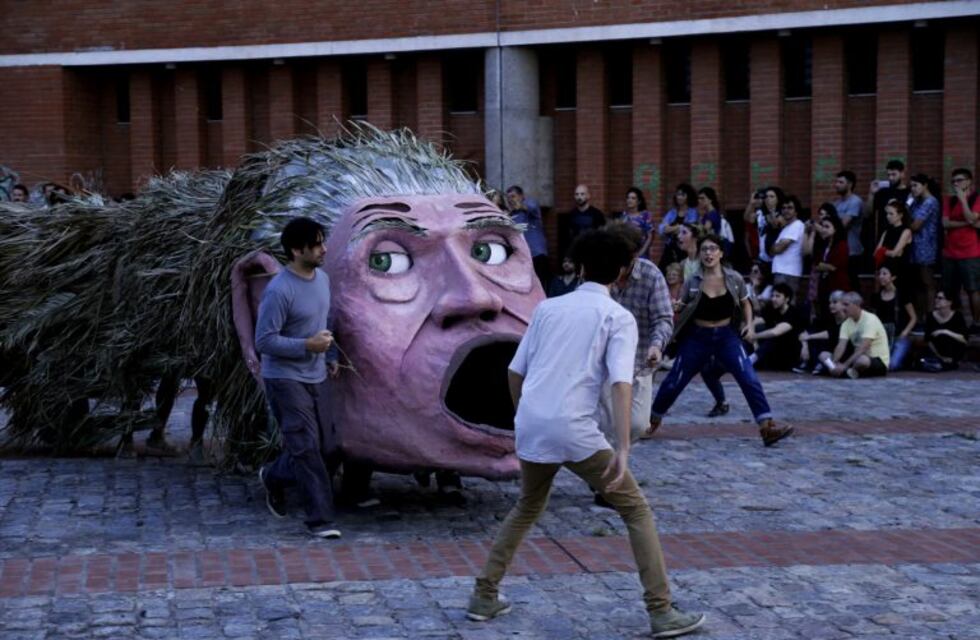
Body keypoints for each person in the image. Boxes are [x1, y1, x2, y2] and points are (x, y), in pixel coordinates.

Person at [466, 229, 706, 639]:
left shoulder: (548, 309)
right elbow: (620, 382)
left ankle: (484, 595)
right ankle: (661, 609)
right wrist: (624, 446)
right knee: (636, 510)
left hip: (532, 421)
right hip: (573, 427)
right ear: (623, 272)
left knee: (527, 506)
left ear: (578, 267)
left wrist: (526, 413)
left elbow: (515, 371)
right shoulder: (617, 316)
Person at [644, 233, 793, 446]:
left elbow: (745, 302)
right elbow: (684, 305)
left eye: (713, 249)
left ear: (721, 253)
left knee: (748, 377)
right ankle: (651, 422)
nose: (708, 253)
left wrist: (749, 325)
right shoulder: (693, 280)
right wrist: (678, 307)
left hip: (727, 336)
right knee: (674, 381)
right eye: (704, 249)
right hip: (698, 337)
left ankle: (766, 427)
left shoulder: (734, 278)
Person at [255, 216, 343, 539]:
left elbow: (326, 320)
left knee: (330, 447)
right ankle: (320, 519)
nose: (324, 249)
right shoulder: (279, 291)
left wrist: (330, 354)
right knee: (305, 447)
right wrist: (308, 345)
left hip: (316, 374)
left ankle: (273, 475)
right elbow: (264, 341)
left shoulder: (322, 280)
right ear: (296, 250)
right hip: (284, 378)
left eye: (323, 241)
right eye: (317, 244)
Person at [941, 167, 980, 334]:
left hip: (970, 252)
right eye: (954, 181)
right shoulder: (948, 200)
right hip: (950, 252)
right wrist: (968, 223)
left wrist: (963, 200)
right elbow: (945, 223)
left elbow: (972, 217)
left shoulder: (976, 198)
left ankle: (977, 323)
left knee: (973, 289)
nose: (956, 184)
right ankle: (955, 322)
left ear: (969, 181)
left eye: (959, 180)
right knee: (950, 290)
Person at [819, 292, 890, 379]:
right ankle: (842, 371)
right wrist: (835, 362)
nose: (843, 308)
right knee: (824, 355)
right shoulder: (847, 323)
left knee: (862, 360)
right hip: (855, 359)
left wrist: (845, 365)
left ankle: (845, 371)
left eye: (846, 305)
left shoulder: (870, 320)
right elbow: (841, 345)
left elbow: (863, 348)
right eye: (842, 305)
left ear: (857, 305)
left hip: (876, 360)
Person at [804, 203, 849, 321]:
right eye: (822, 226)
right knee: (825, 314)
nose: (823, 229)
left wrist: (823, 266)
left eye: (827, 227)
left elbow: (833, 267)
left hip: (838, 285)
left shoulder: (841, 245)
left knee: (839, 316)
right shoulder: (823, 244)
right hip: (824, 286)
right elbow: (815, 263)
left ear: (835, 228)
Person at [907, 173, 941, 322]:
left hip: (926, 247)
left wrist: (905, 217)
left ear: (925, 185)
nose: (913, 189)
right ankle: (920, 319)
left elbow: (915, 225)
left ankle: (930, 317)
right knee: (917, 285)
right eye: (911, 186)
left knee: (927, 282)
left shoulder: (930, 202)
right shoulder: (916, 201)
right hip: (914, 248)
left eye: (915, 185)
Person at [750, 282, 807, 371]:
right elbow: (755, 322)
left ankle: (750, 360)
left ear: (787, 299)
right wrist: (754, 340)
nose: (774, 299)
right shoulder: (772, 309)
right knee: (756, 329)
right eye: (772, 296)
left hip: (790, 351)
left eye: (778, 296)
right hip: (774, 351)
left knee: (774, 338)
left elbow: (775, 332)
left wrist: (753, 336)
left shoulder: (793, 313)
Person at [872, 266, 916, 371]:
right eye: (879, 274)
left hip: (898, 337)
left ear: (893, 277)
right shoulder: (876, 297)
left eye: (884, 274)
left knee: (892, 365)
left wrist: (905, 332)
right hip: (883, 337)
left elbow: (913, 318)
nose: (881, 277)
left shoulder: (902, 295)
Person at [794, 290, 847, 374]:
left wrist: (809, 337)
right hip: (827, 354)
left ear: (844, 304)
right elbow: (805, 332)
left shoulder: (848, 321)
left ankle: (831, 369)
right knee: (820, 350)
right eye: (830, 303)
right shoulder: (828, 318)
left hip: (843, 354)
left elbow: (831, 334)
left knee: (821, 347)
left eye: (835, 302)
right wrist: (805, 346)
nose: (831, 305)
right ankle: (810, 364)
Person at [507, 185, 550, 288]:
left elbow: (532, 207)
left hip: (537, 255)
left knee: (540, 286)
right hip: (523, 257)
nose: (510, 200)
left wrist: (520, 206)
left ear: (521, 196)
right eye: (508, 198)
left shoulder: (530, 204)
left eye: (513, 196)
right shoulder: (512, 215)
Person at [919, 291, 968, 371]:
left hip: (953, 351)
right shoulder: (930, 316)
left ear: (949, 302)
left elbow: (964, 339)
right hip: (936, 352)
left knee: (945, 336)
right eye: (936, 297)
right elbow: (928, 340)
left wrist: (945, 331)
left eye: (940, 298)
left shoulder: (957, 316)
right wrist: (940, 357)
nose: (936, 300)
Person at [833, 171, 865, 292]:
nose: (837, 185)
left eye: (841, 182)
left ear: (850, 184)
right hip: (839, 249)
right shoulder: (836, 204)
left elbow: (843, 225)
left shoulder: (855, 201)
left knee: (851, 283)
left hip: (852, 250)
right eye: (836, 182)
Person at [874, 199, 913, 296]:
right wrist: (886, 252)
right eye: (887, 214)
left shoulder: (906, 231)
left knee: (901, 297)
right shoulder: (886, 232)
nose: (888, 216)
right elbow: (876, 252)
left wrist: (883, 251)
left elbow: (896, 253)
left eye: (891, 214)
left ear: (900, 215)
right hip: (885, 268)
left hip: (899, 269)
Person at [769, 195, 806, 297]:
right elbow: (772, 251)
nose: (786, 210)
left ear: (796, 211)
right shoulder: (786, 228)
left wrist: (775, 247)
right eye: (784, 208)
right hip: (782, 271)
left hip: (788, 273)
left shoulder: (797, 225)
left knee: (786, 305)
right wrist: (774, 248)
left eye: (790, 208)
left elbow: (778, 248)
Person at [558, 184, 605, 259]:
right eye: (577, 194)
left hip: (593, 254)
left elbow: (602, 237)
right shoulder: (570, 216)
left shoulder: (597, 215)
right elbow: (566, 239)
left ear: (588, 196)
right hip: (575, 254)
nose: (579, 197)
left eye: (582, 194)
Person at [868, 159, 911, 241]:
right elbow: (869, 212)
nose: (891, 178)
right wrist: (871, 194)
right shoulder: (883, 192)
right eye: (889, 175)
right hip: (884, 237)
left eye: (894, 174)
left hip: (902, 239)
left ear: (902, 174)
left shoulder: (909, 193)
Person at [659, 183, 700, 268]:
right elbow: (662, 229)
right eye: (678, 194)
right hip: (670, 248)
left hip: (685, 249)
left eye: (682, 195)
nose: (679, 197)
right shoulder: (672, 212)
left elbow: (689, 228)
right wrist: (678, 227)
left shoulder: (693, 212)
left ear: (688, 196)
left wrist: (672, 228)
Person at [743, 185, 784, 266]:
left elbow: (775, 225)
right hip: (762, 258)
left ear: (778, 199)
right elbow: (747, 218)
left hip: (777, 259)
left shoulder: (781, 214)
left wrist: (770, 210)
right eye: (766, 196)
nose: (768, 198)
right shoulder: (760, 213)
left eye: (772, 196)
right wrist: (751, 203)